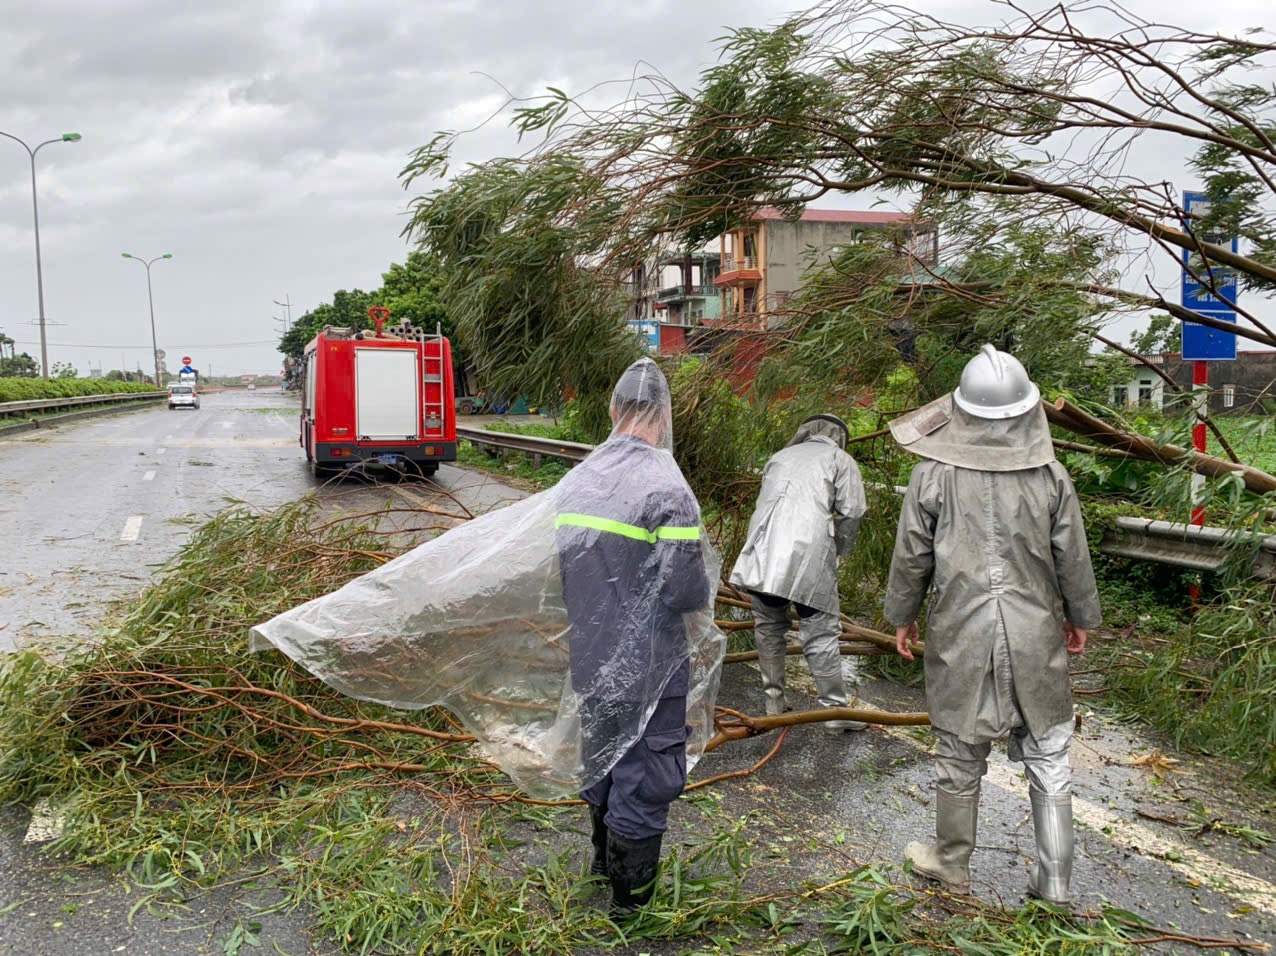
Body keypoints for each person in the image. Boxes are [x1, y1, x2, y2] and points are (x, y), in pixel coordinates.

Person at [883, 344, 1101, 904]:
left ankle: (951, 861)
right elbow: (1072, 556)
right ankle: (1054, 880)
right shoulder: (1051, 476)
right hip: (1035, 632)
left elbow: (912, 557)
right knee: (1049, 750)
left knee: (959, 748)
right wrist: (1081, 618)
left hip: (962, 629)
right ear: (1026, 410)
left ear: (962, 409)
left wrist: (901, 618)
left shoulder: (932, 475)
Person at [553, 357, 712, 913]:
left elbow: (563, 570)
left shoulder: (580, 480)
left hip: (590, 658)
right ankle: (629, 904)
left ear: (613, 410)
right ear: (665, 415)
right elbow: (686, 592)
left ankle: (602, 863)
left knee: (602, 758)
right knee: (646, 772)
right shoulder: (668, 488)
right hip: (650, 665)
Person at [730, 414, 869, 731]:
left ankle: (774, 704)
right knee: (820, 632)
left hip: (763, 552)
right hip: (809, 554)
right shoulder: (840, 459)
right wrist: (841, 550)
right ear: (840, 436)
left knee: (768, 626)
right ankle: (835, 713)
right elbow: (855, 509)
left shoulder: (779, 456)